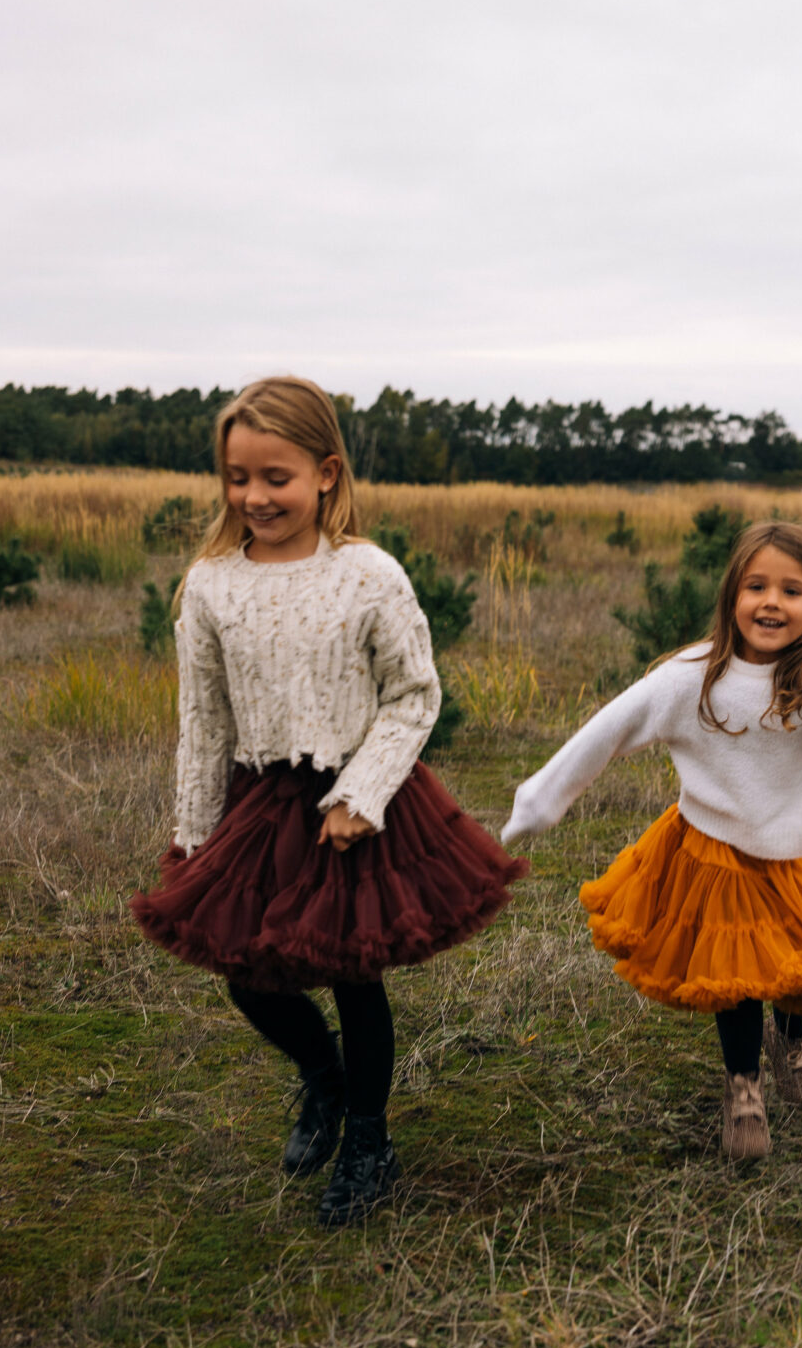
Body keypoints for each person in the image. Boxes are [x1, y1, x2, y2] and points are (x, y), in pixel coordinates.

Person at [132, 376, 526, 1225]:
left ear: (325, 473)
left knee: (353, 973)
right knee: (249, 972)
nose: (255, 496)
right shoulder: (210, 585)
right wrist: (195, 835)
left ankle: (369, 1141)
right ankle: (324, 1079)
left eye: (275, 477)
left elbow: (415, 695)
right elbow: (202, 720)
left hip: (358, 800)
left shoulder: (367, 575)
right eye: (238, 477)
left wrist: (362, 794)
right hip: (261, 798)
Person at [500, 520, 802, 1160]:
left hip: (796, 841)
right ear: (733, 595)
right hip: (713, 849)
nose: (771, 602)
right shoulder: (690, 677)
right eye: (756, 585)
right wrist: (539, 801)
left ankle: (790, 1043)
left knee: (799, 958)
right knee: (735, 975)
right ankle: (744, 1087)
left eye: (792, 590)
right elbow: (608, 731)